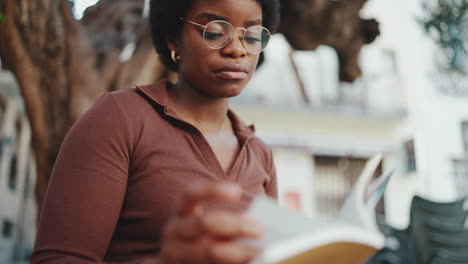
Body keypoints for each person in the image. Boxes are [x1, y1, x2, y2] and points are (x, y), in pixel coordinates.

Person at [31, 0, 280, 263]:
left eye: (252, 36)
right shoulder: (121, 118)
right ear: (174, 39)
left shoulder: (259, 152)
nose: (237, 49)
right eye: (215, 33)